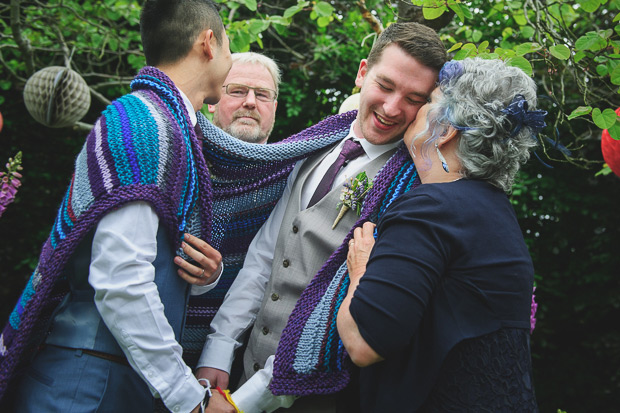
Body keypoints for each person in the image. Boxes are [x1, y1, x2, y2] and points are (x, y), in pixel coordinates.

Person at [187, 22, 447, 412]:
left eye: (414, 97)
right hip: (242, 371)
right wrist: (218, 350)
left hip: (316, 395)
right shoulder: (316, 144)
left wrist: (246, 402)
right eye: (386, 86)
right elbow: (264, 257)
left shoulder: (409, 191)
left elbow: (345, 304)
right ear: (362, 72)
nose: (393, 108)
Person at [0, 1, 234, 412]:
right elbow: (120, 278)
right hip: (86, 388)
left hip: (114, 383)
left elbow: (143, 261)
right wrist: (190, 399)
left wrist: (203, 276)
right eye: (230, 45)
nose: (231, 60)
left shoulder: (165, 123)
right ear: (208, 43)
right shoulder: (143, 121)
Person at [337, 58, 541, 411]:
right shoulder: (496, 211)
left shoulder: (430, 209)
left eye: (428, 101)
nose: (414, 112)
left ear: (445, 130)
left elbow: (363, 343)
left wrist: (360, 271)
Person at [208, 52, 280, 144]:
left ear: (274, 108)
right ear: (211, 102)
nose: (250, 102)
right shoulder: (185, 156)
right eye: (237, 92)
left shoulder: (298, 158)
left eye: (261, 95)